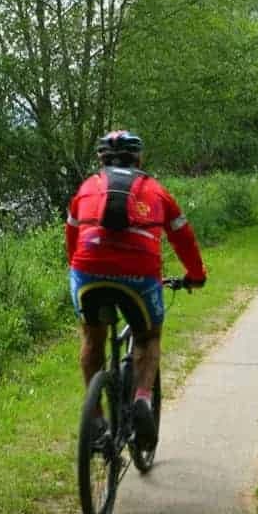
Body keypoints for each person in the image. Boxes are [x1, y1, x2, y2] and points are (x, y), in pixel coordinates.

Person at [65, 130, 207, 451]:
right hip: (139, 273)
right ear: (139, 158)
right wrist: (195, 275)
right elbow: (183, 237)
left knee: (92, 338)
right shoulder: (156, 190)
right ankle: (143, 398)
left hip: (88, 271)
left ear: (101, 159)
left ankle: (96, 419)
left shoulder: (86, 187)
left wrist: (80, 269)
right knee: (148, 337)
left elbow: (72, 239)